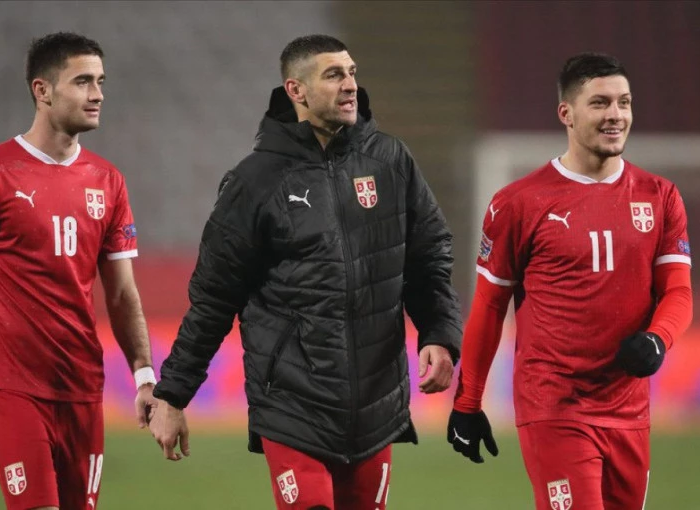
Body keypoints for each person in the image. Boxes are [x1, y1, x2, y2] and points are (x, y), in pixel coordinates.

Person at [148, 34, 463, 510]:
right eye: (333, 75)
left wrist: (438, 332)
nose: (350, 85)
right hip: (293, 403)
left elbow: (428, 256)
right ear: (296, 90)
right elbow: (214, 299)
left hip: (375, 404)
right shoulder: (255, 181)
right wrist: (173, 396)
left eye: (352, 73)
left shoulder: (390, 161)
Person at [447, 52, 693, 510]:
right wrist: (468, 400)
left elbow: (678, 292)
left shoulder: (659, 196)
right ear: (567, 113)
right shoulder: (518, 202)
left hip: (629, 408)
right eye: (600, 103)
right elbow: (489, 306)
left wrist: (658, 339)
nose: (616, 114)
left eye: (624, 102)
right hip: (554, 406)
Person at [0, 32, 157, 510]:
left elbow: (122, 294)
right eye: (82, 81)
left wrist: (144, 375)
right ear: (43, 90)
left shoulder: (108, 181)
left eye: (100, 82)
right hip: (12, 386)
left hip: (82, 386)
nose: (97, 94)